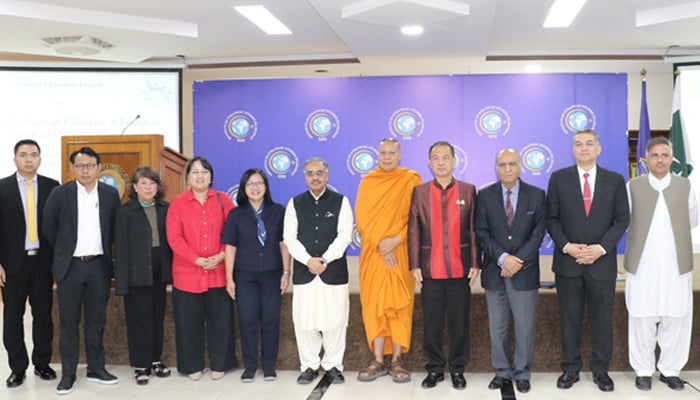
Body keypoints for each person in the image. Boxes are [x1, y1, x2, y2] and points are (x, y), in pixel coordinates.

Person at [546, 129, 629, 392]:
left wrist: (601, 248)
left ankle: (601, 371)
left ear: (598, 149)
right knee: (569, 319)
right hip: (568, 263)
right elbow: (551, 219)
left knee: (602, 320)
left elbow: (622, 219)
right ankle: (570, 369)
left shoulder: (615, 180)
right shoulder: (558, 179)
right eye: (578, 144)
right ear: (572, 150)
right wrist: (568, 246)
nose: (584, 148)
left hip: (601, 264)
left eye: (589, 144)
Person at [42, 146, 121, 395]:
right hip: (71, 267)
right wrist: (65, 251)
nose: (84, 170)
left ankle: (96, 369)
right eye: (79, 166)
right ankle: (68, 374)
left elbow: (114, 229)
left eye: (89, 165)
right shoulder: (60, 193)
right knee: (69, 323)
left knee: (96, 321)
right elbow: (48, 227)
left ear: (98, 167)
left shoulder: (110, 194)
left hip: (99, 266)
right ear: (72, 168)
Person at [624, 136, 697, 392]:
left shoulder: (685, 186)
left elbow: (692, 220)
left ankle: (670, 369)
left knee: (675, 317)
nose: (659, 160)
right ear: (646, 158)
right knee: (642, 317)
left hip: (676, 265)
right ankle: (643, 370)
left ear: (671, 159)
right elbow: (626, 220)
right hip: (643, 265)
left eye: (664, 155)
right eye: (654, 155)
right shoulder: (632, 186)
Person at [407, 141, 479, 390]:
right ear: (429, 162)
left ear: (454, 160)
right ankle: (435, 368)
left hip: (460, 269)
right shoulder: (420, 192)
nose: (440, 162)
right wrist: (414, 263)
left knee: (460, 322)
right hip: (430, 270)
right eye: (435, 158)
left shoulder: (469, 191)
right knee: (432, 323)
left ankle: (458, 368)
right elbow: (414, 229)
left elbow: (473, 230)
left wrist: (475, 262)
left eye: (445, 157)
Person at [475, 148, 546, 394]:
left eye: (512, 164)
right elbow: (481, 231)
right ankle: (502, 372)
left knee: (525, 326)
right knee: (498, 326)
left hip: (524, 272)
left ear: (520, 166)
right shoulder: (484, 196)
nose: (507, 169)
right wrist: (503, 258)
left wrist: (517, 261)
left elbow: (538, 233)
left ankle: (522, 372)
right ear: (496, 168)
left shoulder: (537, 195)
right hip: (495, 271)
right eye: (502, 165)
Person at [355, 137, 421, 383]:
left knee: (399, 307)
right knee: (375, 307)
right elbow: (361, 219)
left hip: (401, 252)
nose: (387, 157)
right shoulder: (368, 182)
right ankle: (378, 360)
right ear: (377, 154)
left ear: (399, 154)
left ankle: (397, 361)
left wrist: (396, 240)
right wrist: (381, 245)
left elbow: (416, 218)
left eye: (391, 153)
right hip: (373, 254)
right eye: (383, 152)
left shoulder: (410, 179)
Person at [166, 156, 237, 381]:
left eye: (204, 172)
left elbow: (234, 231)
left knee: (220, 322)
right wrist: (195, 259)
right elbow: (174, 237)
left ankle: (220, 363)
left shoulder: (223, 199)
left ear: (211, 176)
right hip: (187, 273)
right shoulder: (178, 202)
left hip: (218, 272)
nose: (200, 176)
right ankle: (191, 365)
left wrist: (223, 254)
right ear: (188, 176)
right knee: (188, 324)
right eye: (195, 172)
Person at [283, 158, 353, 385]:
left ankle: (333, 365)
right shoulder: (295, 203)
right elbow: (289, 238)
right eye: (311, 173)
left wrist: (324, 259)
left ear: (327, 175)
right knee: (305, 321)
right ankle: (309, 365)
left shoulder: (341, 201)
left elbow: (344, 236)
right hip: (305, 272)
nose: (315, 177)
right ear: (304, 177)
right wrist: (307, 260)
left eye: (319, 173)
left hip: (333, 271)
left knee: (335, 320)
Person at [0, 139, 59, 388]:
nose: (28, 159)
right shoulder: (1, 188)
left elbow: (59, 226)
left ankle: (42, 364)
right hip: (12, 264)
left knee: (43, 316)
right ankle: (17, 368)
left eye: (33, 155)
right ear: (14, 159)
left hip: (43, 263)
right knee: (13, 318)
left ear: (40, 159)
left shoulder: (52, 187)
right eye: (23, 155)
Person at [222, 168, 290, 382]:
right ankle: (250, 366)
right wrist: (229, 278)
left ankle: (269, 365)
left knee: (271, 320)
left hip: (272, 275)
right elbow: (230, 248)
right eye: (250, 183)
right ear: (244, 188)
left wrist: (286, 272)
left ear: (266, 187)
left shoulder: (278, 211)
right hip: (244, 277)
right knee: (248, 321)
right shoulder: (236, 214)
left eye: (259, 183)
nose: (255, 187)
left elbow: (283, 244)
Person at [114, 166, 173, 385]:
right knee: (139, 321)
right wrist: (122, 282)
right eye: (143, 183)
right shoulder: (125, 212)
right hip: (137, 273)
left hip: (160, 271)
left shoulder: (165, 208)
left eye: (152, 183)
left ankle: (156, 360)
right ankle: (141, 365)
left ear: (158, 187)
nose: (148, 187)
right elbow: (120, 249)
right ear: (135, 187)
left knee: (157, 317)